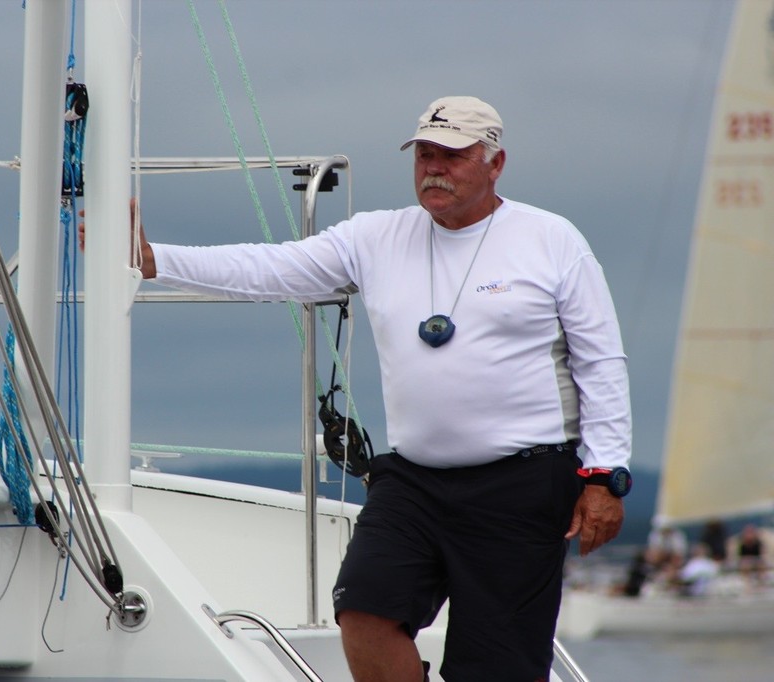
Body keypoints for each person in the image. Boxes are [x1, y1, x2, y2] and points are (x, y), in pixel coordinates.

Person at [132, 96, 631, 682]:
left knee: (497, 668)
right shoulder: (376, 237)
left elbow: (601, 362)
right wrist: (153, 258)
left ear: (495, 164)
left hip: (522, 482)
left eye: (453, 155)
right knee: (364, 614)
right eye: (424, 154)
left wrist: (604, 476)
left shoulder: (551, 239)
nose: (434, 167)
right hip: (415, 483)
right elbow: (270, 268)